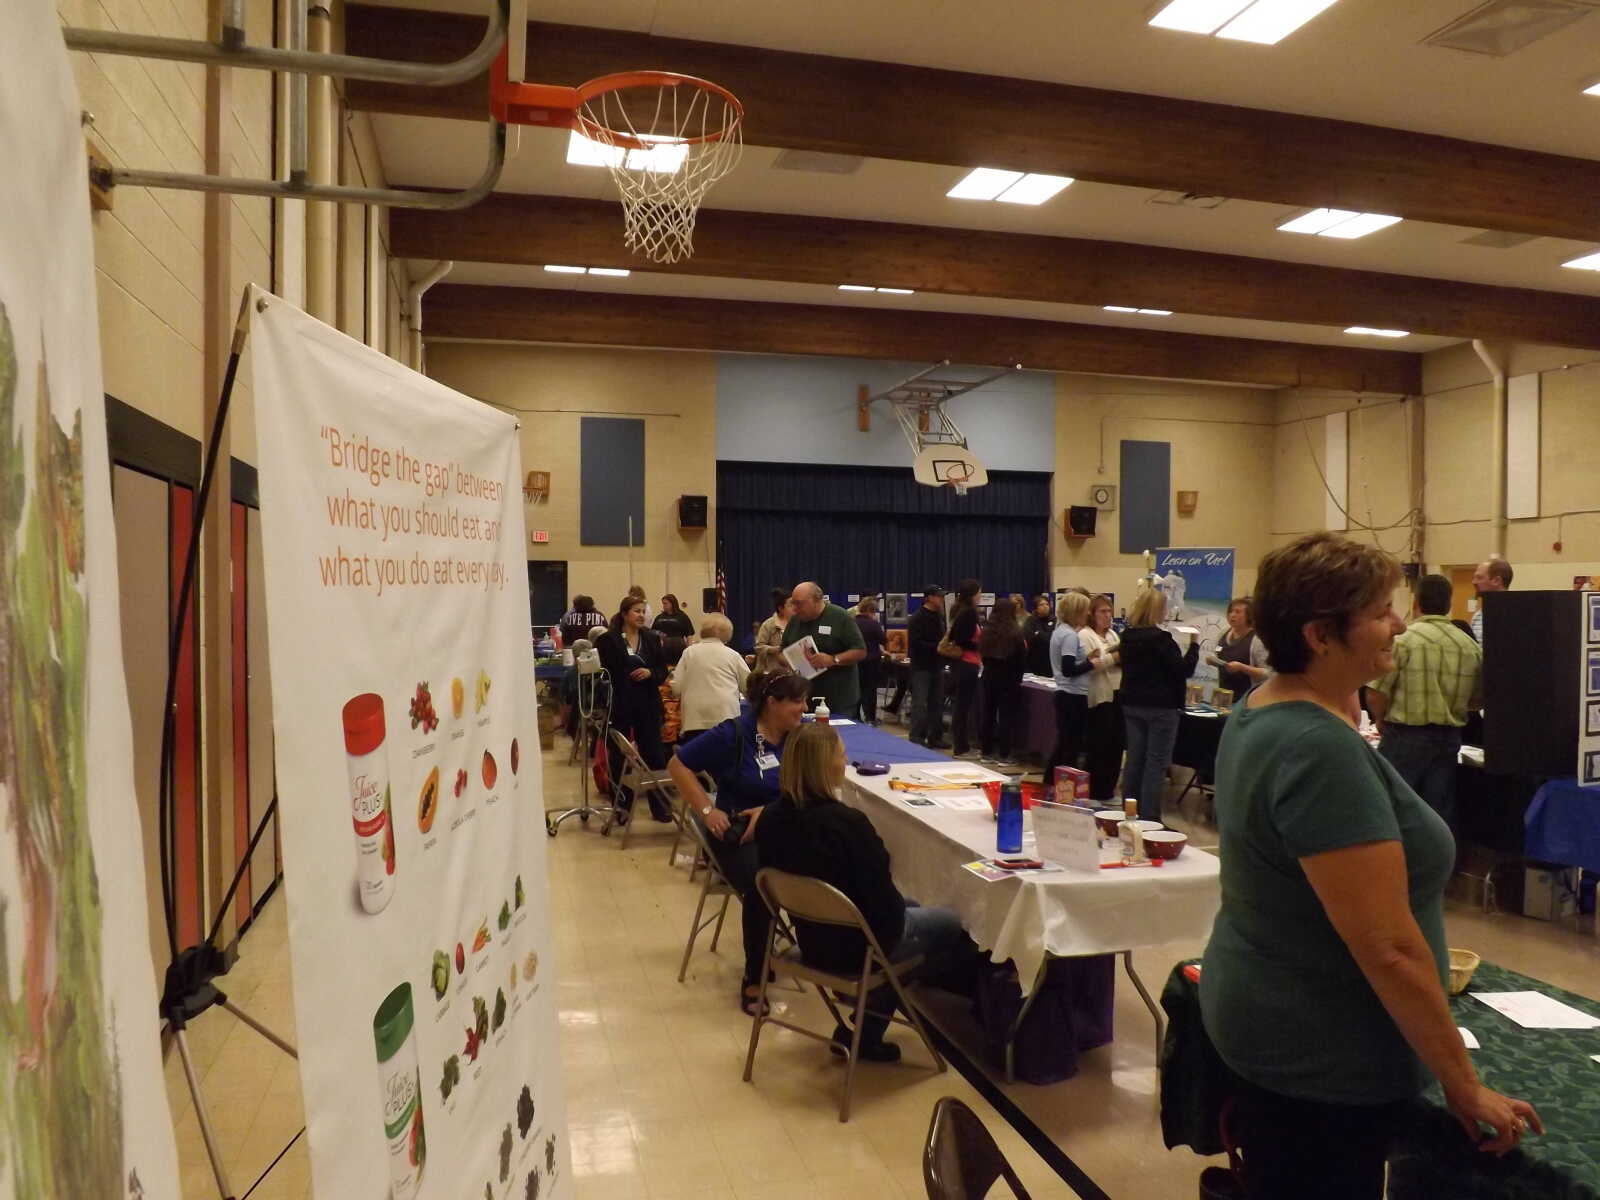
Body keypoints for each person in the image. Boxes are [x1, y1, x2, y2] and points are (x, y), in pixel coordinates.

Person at [1200, 533, 1540, 1200]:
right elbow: (1388, 947)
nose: (1399, 625)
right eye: (1382, 612)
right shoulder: (1316, 748)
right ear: (1321, 636)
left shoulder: (1266, 705)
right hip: (1322, 1055)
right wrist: (1464, 1084)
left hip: (1270, 1009)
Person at [756, 724, 967, 1060]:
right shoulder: (849, 825)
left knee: (913, 905)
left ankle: (871, 1009)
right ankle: (870, 1028)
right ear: (824, 766)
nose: (846, 761)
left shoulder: (770, 819)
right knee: (954, 923)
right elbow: (886, 911)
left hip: (811, 936)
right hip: (859, 948)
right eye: (841, 756)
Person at [670, 670, 810, 1014]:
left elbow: (809, 787)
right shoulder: (733, 733)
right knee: (763, 884)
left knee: (827, 861)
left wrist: (768, 812)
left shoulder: (799, 736)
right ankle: (754, 977)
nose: (805, 708)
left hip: (785, 825)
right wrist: (707, 811)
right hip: (739, 834)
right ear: (772, 703)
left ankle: (828, 956)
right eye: (798, 701)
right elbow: (678, 765)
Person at [1366, 574, 1483, 833]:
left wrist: (1380, 719)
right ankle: (1441, 858)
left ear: (1416, 603)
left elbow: (1376, 692)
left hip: (1405, 735)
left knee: (1393, 805)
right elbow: (1477, 700)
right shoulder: (1469, 646)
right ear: (1448, 605)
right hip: (1449, 737)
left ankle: (1398, 857)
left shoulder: (1402, 641)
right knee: (1439, 809)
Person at [1118, 587, 1198, 822]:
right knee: (1155, 763)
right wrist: (1194, 646)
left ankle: (1129, 811)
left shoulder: (1127, 637)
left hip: (1132, 703)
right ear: (1158, 610)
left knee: (1134, 760)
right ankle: (1150, 817)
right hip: (1161, 708)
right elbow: (1183, 670)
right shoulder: (1161, 640)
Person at [595, 594, 670, 822]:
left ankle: (660, 807)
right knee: (619, 757)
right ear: (624, 613)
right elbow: (601, 673)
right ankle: (621, 807)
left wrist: (650, 673)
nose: (641, 615)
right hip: (620, 704)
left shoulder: (651, 638)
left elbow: (662, 670)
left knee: (654, 755)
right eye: (637, 611)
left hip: (648, 705)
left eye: (643, 611)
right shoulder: (608, 640)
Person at [782, 582, 867, 717]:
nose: (795, 608)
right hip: (804, 698)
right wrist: (789, 662)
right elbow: (783, 649)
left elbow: (860, 651)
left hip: (838, 699)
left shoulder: (840, 617)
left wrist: (833, 659)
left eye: (799, 603)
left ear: (816, 600)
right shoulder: (795, 621)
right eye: (793, 603)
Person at [669, 613, 751, 742]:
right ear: (727, 633)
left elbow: (676, 687)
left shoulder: (689, 653)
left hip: (694, 721)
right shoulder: (733, 655)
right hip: (726, 718)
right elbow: (749, 686)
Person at [1045, 592, 1097, 782]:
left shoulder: (1060, 631)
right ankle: (1062, 783)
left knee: (1065, 743)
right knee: (1070, 745)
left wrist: (1086, 660)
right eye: (1085, 610)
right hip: (1072, 695)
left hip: (1066, 694)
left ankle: (1051, 781)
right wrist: (1091, 664)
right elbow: (1068, 669)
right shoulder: (1069, 635)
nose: (1088, 614)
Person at [1080, 594, 1124, 801]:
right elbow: (1091, 666)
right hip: (1099, 695)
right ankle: (1095, 789)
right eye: (1102, 611)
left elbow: (1118, 658)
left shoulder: (1114, 635)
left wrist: (1114, 658)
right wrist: (1113, 658)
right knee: (1100, 745)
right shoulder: (1085, 635)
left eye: (1109, 611)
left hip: (1118, 692)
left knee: (1116, 743)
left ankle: (1109, 789)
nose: (1107, 615)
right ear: (1092, 614)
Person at [977, 597, 1027, 767]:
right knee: (1006, 716)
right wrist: (1018, 678)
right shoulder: (1015, 633)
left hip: (989, 677)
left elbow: (983, 656)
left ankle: (986, 752)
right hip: (1009, 679)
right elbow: (1021, 659)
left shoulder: (986, 631)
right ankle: (1004, 754)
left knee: (988, 714)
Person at [1210, 596, 1271, 704]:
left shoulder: (1257, 640)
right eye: (1231, 611)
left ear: (1249, 616)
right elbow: (1218, 654)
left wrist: (1242, 668)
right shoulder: (1223, 633)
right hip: (1223, 697)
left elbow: (1268, 673)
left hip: (1248, 701)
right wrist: (1213, 661)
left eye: (1237, 612)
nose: (1232, 615)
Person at [906, 588, 948, 748]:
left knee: (937, 703)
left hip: (938, 666)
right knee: (920, 703)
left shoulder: (940, 616)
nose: (942, 600)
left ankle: (935, 737)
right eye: (939, 596)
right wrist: (938, 647)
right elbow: (915, 643)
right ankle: (916, 736)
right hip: (921, 667)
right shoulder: (917, 618)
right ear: (929, 598)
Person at [946, 579, 983, 758]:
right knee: (963, 707)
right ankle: (961, 747)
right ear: (972, 595)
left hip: (965, 663)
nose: (981, 596)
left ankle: (962, 745)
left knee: (962, 706)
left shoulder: (960, 611)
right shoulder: (968, 613)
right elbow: (961, 639)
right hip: (966, 663)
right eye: (979, 593)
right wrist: (980, 646)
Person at [854, 596, 888, 724]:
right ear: (871, 610)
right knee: (870, 690)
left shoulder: (852, 622)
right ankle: (870, 718)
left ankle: (856, 716)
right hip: (871, 662)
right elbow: (883, 640)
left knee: (857, 689)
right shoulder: (873, 624)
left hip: (856, 661)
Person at [1470, 556, 1512, 644]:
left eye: (1479, 578)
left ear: (1496, 580)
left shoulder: (1517, 614)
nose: (1474, 582)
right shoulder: (1477, 616)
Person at [753, 588, 794, 671]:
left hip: (794, 671)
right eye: (790, 605)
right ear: (780, 608)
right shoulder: (769, 624)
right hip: (772, 671)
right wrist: (773, 649)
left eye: (795, 604)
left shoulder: (798, 622)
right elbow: (758, 647)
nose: (794, 608)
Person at [1023, 593, 1055, 676]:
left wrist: (1039, 634)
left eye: (1047, 604)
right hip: (1034, 661)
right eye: (1041, 604)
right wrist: (1044, 636)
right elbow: (1029, 638)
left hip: (1050, 662)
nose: (1045, 606)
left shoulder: (1054, 620)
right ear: (1036, 608)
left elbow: (1051, 639)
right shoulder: (1031, 620)